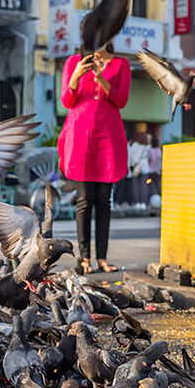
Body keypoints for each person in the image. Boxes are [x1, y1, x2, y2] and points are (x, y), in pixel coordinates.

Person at [58, 41, 130, 273]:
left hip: (107, 137)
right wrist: (76, 76)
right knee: (84, 201)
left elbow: (121, 101)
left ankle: (102, 258)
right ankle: (84, 258)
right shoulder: (73, 62)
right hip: (80, 137)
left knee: (103, 201)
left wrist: (102, 79)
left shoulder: (121, 65)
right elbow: (67, 101)